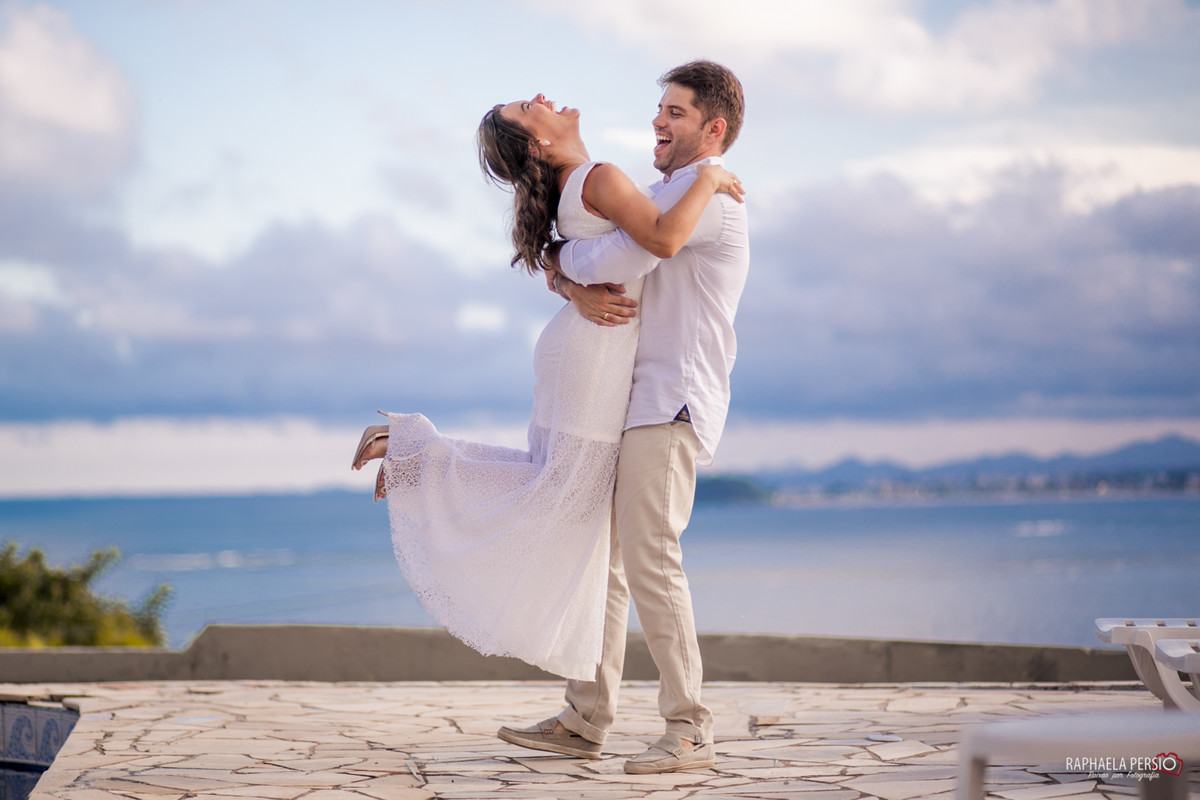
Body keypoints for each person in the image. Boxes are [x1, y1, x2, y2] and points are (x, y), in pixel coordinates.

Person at [350, 91, 743, 683]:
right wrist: (710, 178)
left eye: (675, 111)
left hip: (583, 349)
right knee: (558, 496)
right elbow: (657, 242)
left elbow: (594, 251)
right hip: (596, 358)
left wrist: (566, 276)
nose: (540, 97)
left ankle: (417, 456)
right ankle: (416, 453)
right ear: (537, 143)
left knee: (560, 498)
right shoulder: (604, 177)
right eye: (526, 107)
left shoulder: (583, 188)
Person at [495, 60, 748, 775]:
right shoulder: (668, 191)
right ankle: (586, 717)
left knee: (649, 561)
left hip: (673, 399)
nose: (657, 123)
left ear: (713, 128)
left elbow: (638, 246)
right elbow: (599, 251)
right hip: (634, 399)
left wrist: (563, 262)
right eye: (658, 111)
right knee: (607, 566)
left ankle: (690, 726)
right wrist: (566, 279)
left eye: (674, 113)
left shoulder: (713, 198)